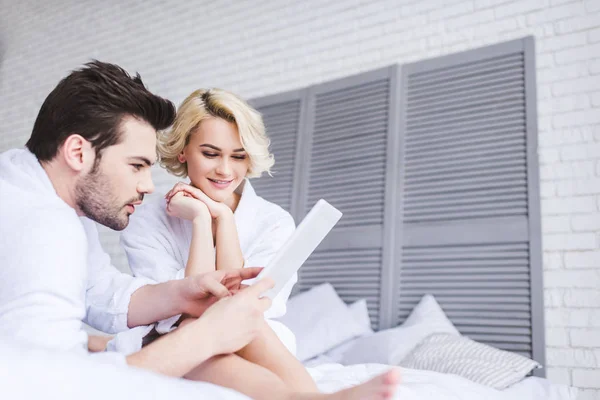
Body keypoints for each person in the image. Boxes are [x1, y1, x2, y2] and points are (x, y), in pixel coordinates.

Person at [0, 61, 399, 400]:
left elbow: (102, 292)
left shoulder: (54, 203)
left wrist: (183, 293)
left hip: (248, 332)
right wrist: (206, 334)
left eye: (238, 156)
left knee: (232, 315)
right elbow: (49, 387)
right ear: (77, 152)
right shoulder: (43, 225)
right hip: (170, 336)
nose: (147, 185)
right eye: (137, 165)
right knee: (206, 325)